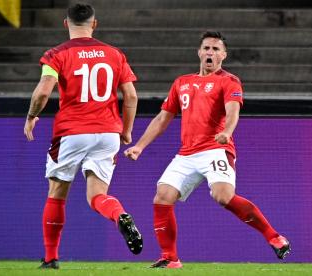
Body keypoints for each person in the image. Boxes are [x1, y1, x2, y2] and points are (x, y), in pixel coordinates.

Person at [124, 31, 291, 268]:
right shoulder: (181, 82)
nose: (210, 52)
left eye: (215, 49)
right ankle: (170, 258)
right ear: (199, 52)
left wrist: (227, 132)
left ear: (224, 55)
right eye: (206, 48)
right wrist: (139, 146)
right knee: (162, 196)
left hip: (215, 149)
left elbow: (233, 112)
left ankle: (274, 237)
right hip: (187, 153)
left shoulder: (229, 81)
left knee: (222, 196)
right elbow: (163, 118)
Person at [24, 2, 142, 269]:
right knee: (97, 196)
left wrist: (31, 116)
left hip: (72, 132)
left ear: (66, 24)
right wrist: (126, 130)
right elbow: (131, 95)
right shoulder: (114, 54)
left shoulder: (56, 55)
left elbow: (43, 91)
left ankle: (51, 257)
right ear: (94, 24)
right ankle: (119, 214)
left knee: (57, 192)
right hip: (108, 132)